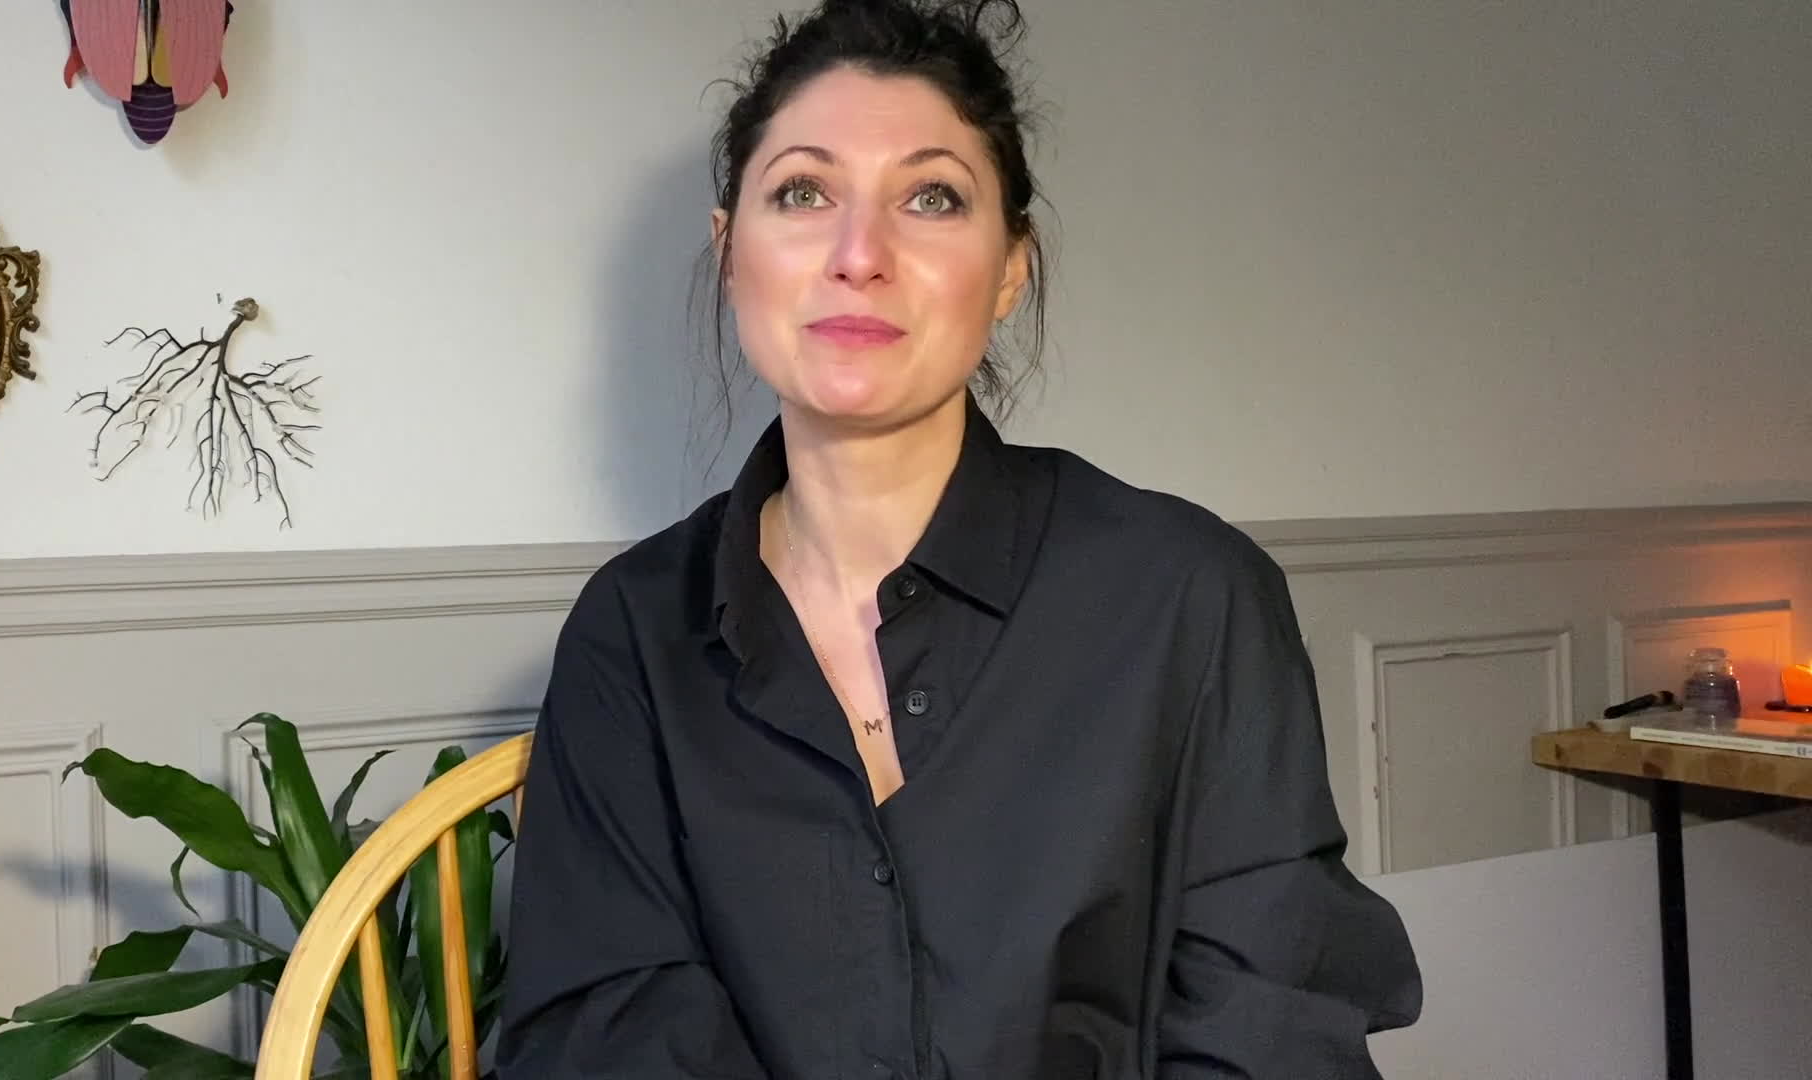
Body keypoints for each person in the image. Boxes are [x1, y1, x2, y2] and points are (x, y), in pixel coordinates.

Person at [495, 1, 1422, 1076]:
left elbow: (1271, 1025)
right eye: (803, 192)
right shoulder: (632, 631)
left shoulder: (1193, 598)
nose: (859, 254)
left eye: (930, 197)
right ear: (730, 252)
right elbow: (608, 1029)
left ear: (1011, 268)